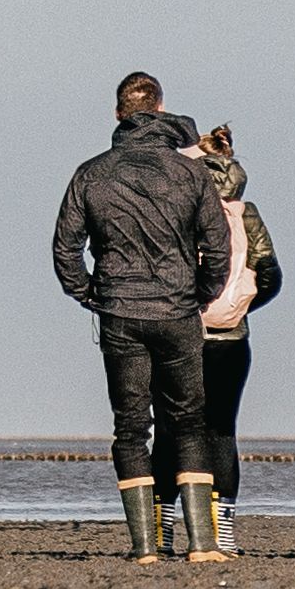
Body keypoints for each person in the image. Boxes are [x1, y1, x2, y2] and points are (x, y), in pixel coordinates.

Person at [50, 70, 227, 559]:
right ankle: (202, 544)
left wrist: (89, 293)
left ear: (117, 114)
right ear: (162, 111)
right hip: (176, 309)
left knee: (130, 426)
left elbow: (65, 248)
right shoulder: (191, 172)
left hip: (120, 311)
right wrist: (201, 294)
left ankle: (145, 546)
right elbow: (219, 244)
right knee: (190, 422)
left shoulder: (92, 172)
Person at [187, 126, 277, 558]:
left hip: (184, 336)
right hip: (233, 340)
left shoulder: (185, 204)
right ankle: (224, 533)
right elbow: (271, 277)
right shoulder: (248, 212)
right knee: (223, 432)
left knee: (179, 431)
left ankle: (176, 528)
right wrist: (240, 310)